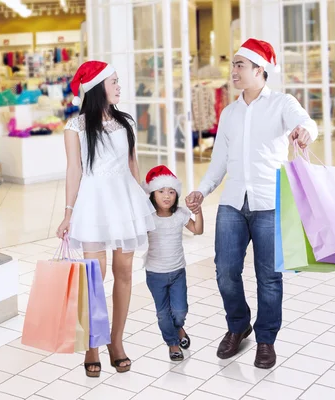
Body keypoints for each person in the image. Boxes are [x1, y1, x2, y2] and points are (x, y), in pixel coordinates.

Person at [186, 39, 318, 369]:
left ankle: (266, 339)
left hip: (269, 201)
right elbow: (219, 160)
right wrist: (202, 189)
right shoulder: (229, 113)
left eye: (240, 65)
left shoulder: (282, 103)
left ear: (260, 70)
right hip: (233, 202)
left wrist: (304, 132)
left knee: (269, 277)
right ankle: (238, 324)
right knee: (225, 271)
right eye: (233, 65)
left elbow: (307, 122)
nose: (233, 71)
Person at [56, 60, 156, 377]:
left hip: (124, 202)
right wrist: (68, 213)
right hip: (93, 205)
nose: (119, 86)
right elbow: (74, 171)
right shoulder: (75, 128)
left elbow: (132, 164)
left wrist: (145, 200)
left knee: (124, 272)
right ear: (98, 87)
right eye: (114, 81)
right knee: (93, 280)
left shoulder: (125, 122)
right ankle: (91, 346)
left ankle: (116, 342)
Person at [142, 165, 204, 361]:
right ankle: (173, 344)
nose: (166, 196)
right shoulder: (147, 218)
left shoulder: (180, 214)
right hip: (155, 274)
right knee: (163, 314)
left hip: (178, 271)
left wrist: (199, 212)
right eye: (161, 191)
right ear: (152, 194)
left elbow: (197, 230)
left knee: (180, 310)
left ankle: (179, 329)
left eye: (171, 192)